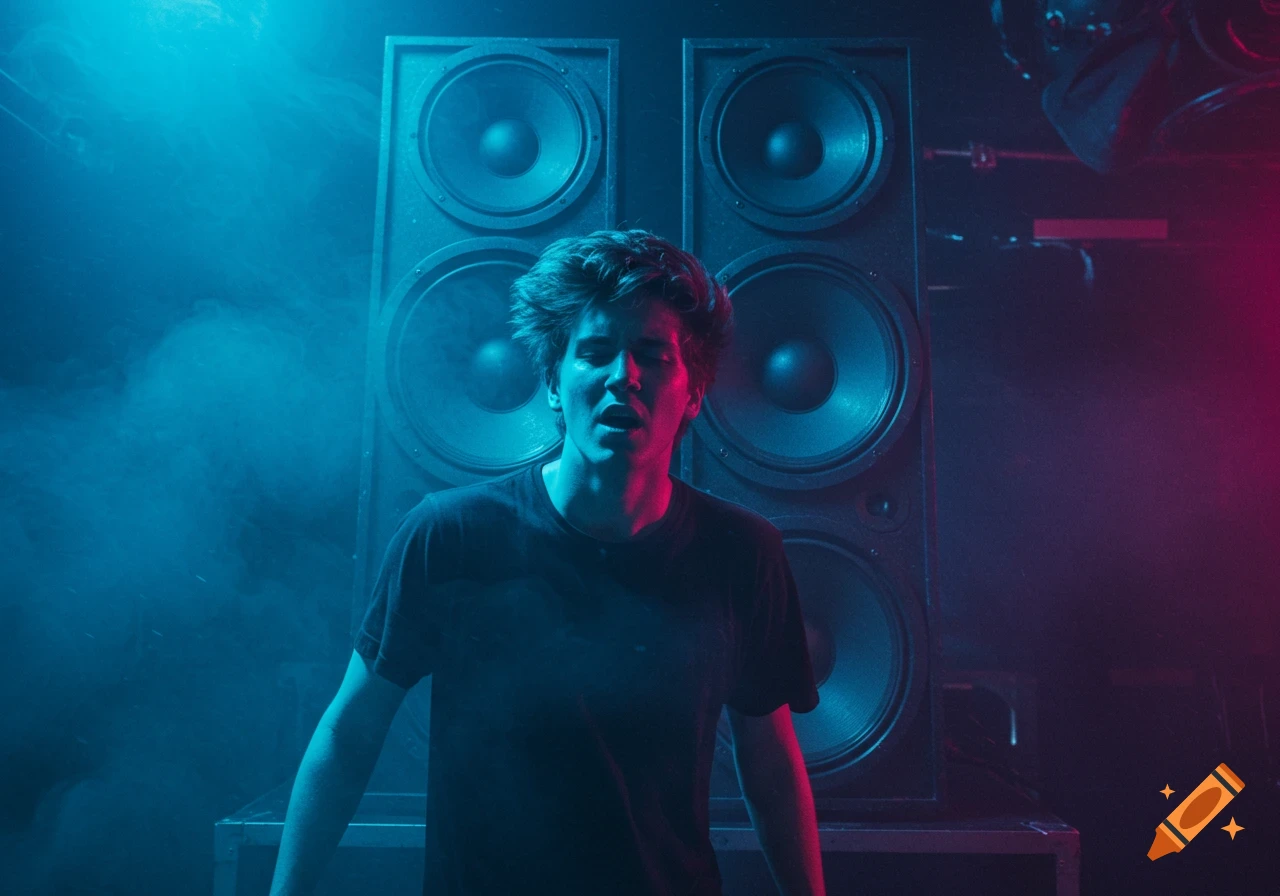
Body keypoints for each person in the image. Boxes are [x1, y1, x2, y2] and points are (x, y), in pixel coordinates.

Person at [268, 230, 825, 896]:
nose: (623, 376)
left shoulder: (742, 553)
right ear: (555, 384)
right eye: (595, 351)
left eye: (652, 353)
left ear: (695, 391)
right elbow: (349, 734)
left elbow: (770, 766)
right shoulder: (452, 535)